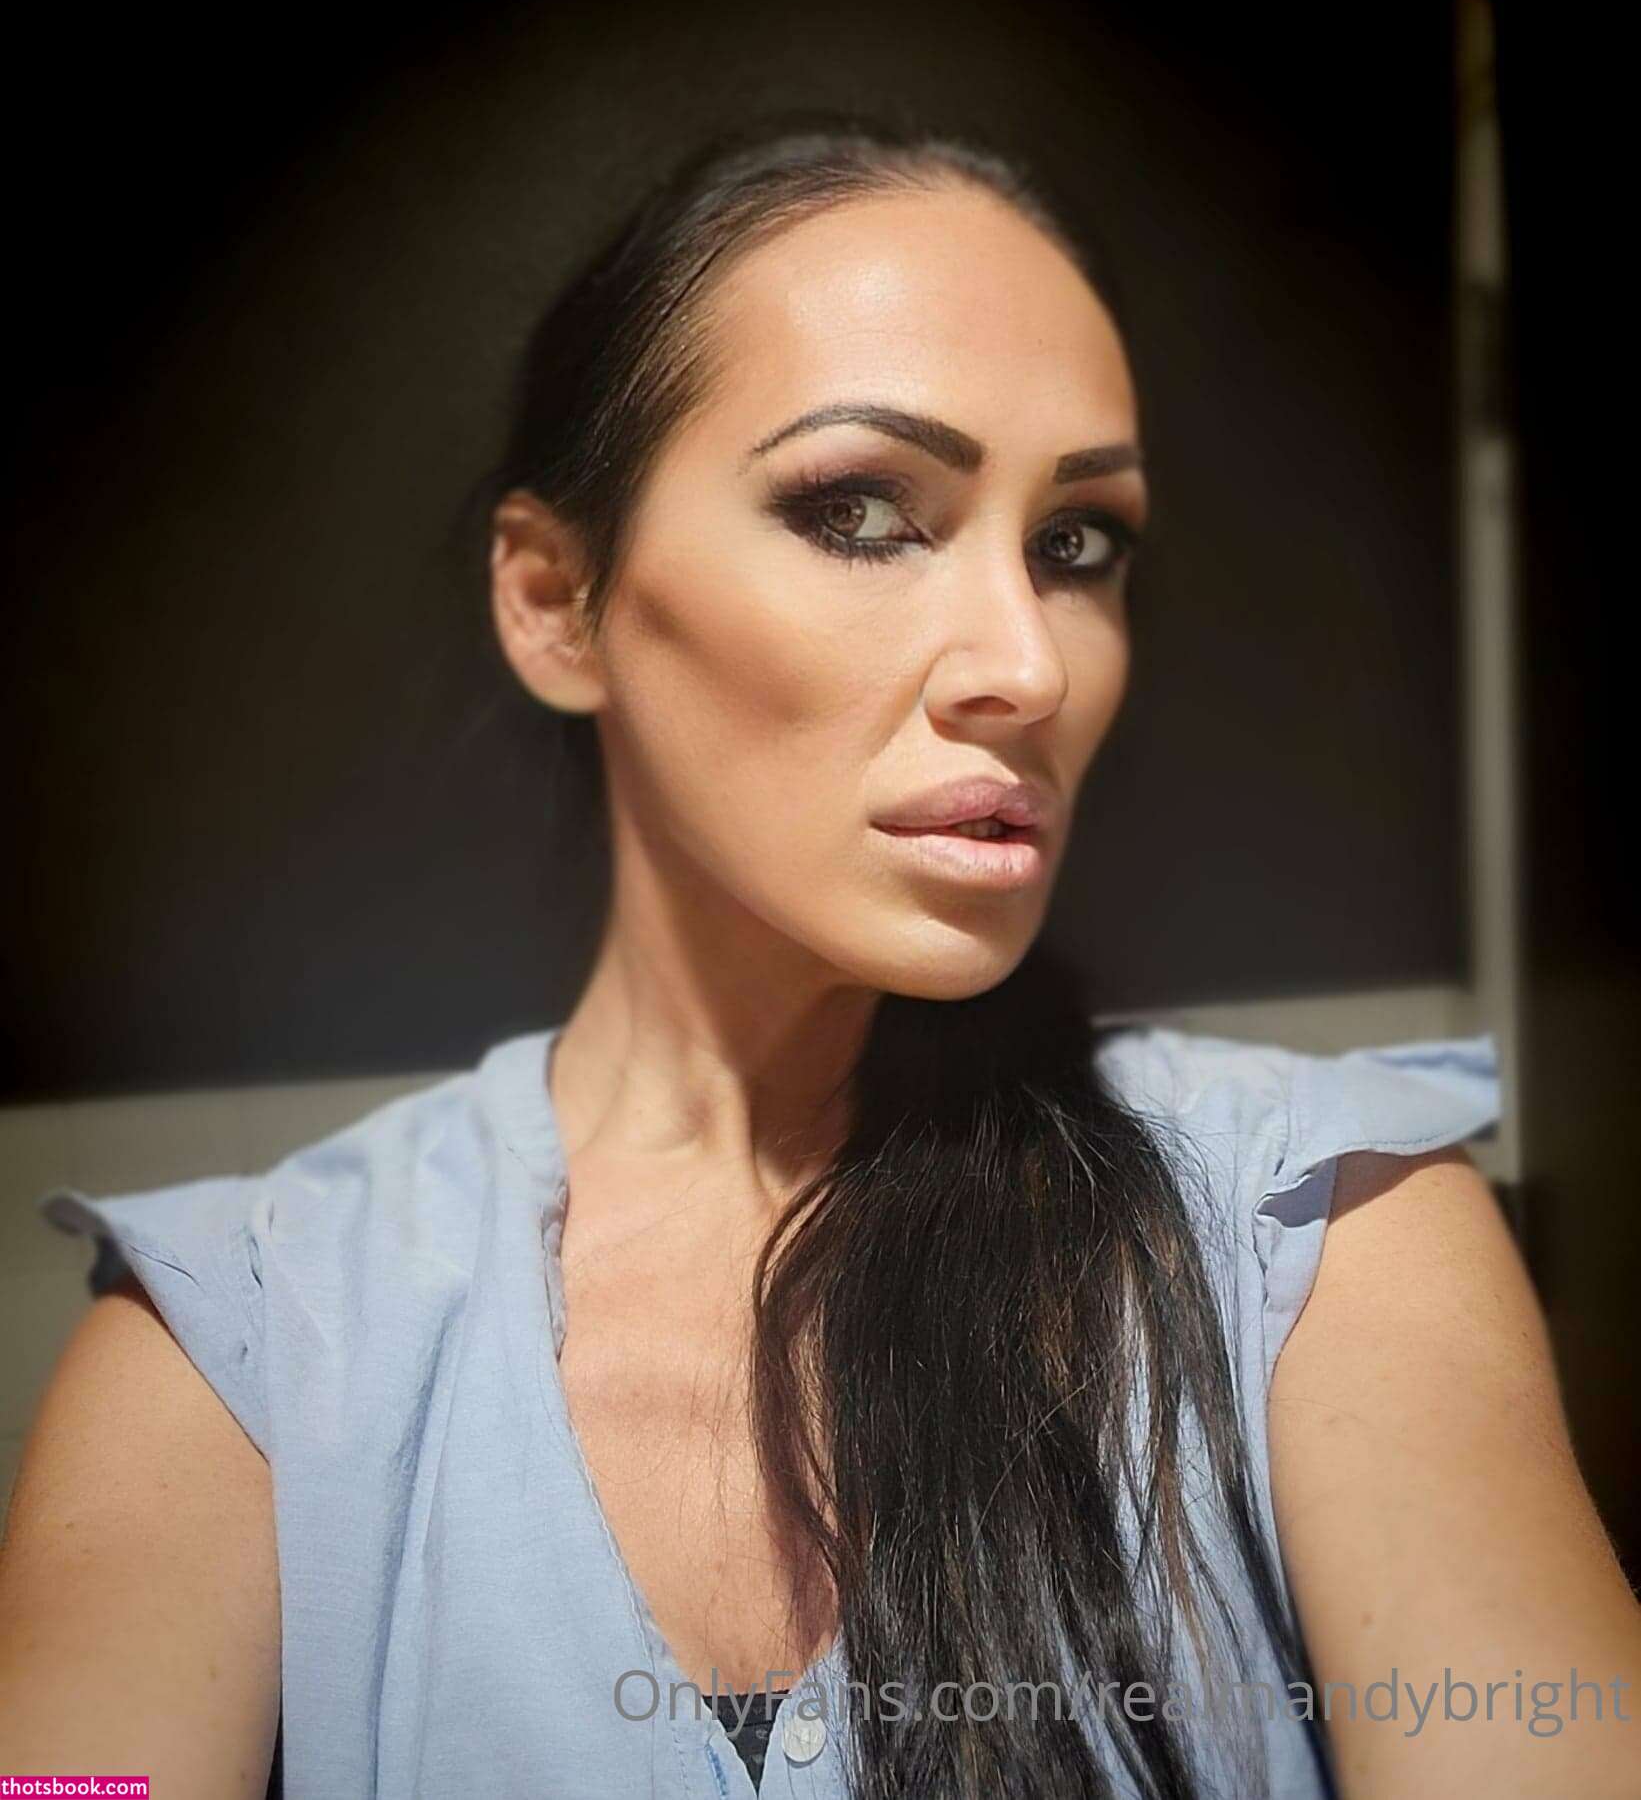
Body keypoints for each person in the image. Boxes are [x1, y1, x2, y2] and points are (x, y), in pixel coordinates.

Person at [2, 116, 1637, 1800]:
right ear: (557, 600)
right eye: (859, 510)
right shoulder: (243, 1351)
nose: (1026, 665)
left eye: (1075, 542)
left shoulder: (1317, 1232)